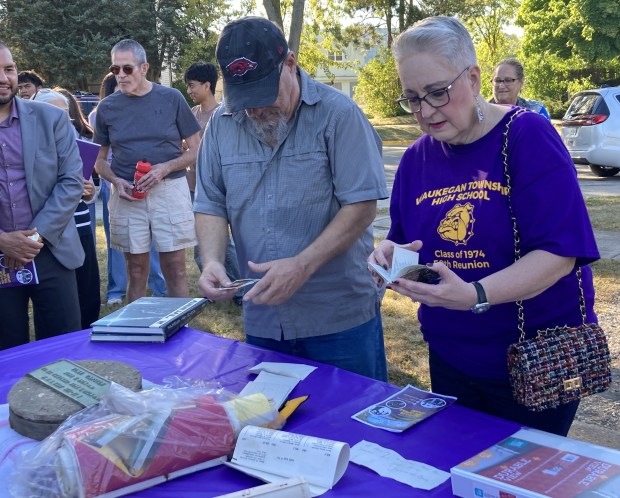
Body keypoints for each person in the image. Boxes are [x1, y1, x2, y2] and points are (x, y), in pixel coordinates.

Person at [369, 16, 599, 435]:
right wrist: (387, 255)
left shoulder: (527, 134)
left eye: (438, 92)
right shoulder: (416, 158)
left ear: (473, 78)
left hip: (533, 361)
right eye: (412, 98)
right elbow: (404, 239)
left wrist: (476, 295)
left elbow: (559, 253)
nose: (426, 111)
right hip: (451, 356)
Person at [194, 17, 389, 380]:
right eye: (244, 99)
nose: (254, 110)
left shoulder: (339, 116)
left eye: (264, 94)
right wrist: (212, 262)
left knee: (350, 427)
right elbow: (210, 203)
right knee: (273, 428)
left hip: (338, 319)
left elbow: (361, 207)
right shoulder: (222, 123)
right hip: (264, 320)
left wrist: (302, 264)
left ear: (290, 63)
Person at [94, 39, 201, 302]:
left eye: (127, 69)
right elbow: (99, 160)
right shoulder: (107, 107)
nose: (120, 75)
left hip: (170, 189)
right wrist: (117, 182)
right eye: (115, 69)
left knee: (175, 269)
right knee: (136, 269)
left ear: (144, 68)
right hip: (128, 193)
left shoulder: (172, 98)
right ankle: (137, 336)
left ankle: (180, 332)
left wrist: (165, 167)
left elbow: (196, 149)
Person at [0, 43, 83, 349]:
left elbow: (71, 181)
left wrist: (34, 239)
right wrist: (3, 240)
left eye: (9, 69)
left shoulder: (52, 119)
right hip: (1, 256)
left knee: (62, 351)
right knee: (6, 353)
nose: (4, 78)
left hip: (51, 250)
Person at [89, 72, 168, 305]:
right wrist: (113, 180)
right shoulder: (100, 113)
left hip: (146, 181)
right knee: (120, 243)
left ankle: (157, 285)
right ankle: (116, 290)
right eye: (117, 90)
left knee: (149, 241)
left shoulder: (142, 109)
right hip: (114, 183)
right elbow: (99, 156)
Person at [36, 88, 101, 329]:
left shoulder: (77, 143)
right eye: (54, 112)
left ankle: (87, 339)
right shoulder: (30, 146)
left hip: (81, 226)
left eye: (65, 113)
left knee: (88, 292)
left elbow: (93, 190)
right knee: (57, 302)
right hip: (49, 232)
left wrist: (91, 192)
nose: (60, 118)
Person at [183, 62, 241, 291]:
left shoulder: (223, 115)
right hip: (191, 186)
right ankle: (215, 284)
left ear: (207, 85)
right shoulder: (190, 115)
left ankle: (237, 287)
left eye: (192, 85)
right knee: (201, 241)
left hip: (217, 189)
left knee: (223, 243)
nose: (189, 91)